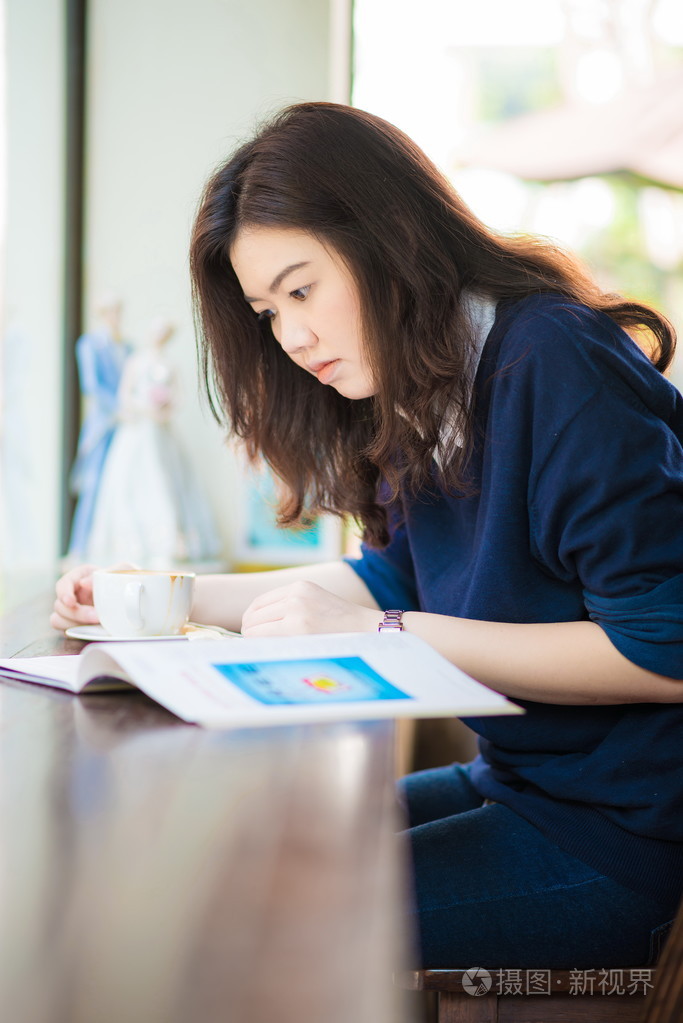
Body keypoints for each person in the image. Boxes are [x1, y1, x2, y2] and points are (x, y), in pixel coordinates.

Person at [52, 101, 683, 969]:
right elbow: (392, 580)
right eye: (268, 313)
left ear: (388, 238)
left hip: (626, 835)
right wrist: (162, 595)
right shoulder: (421, 379)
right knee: (239, 866)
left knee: (266, 922)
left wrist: (380, 634)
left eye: (302, 289)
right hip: (518, 784)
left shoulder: (549, 360)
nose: (293, 338)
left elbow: (664, 651)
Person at [84, 317, 222, 568]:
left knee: (168, 478)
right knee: (136, 479)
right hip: (139, 429)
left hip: (161, 430)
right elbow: (125, 396)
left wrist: (166, 408)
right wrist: (146, 408)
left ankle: (172, 539)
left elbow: (179, 396)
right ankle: (139, 541)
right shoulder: (136, 361)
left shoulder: (169, 365)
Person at [67, 297, 130, 559]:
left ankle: (112, 546)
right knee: (93, 483)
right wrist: (119, 408)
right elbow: (91, 386)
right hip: (103, 424)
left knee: (119, 484)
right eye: (110, 310)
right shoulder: (90, 344)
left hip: (127, 426)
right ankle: (79, 548)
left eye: (118, 309)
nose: (115, 315)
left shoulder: (128, 347)